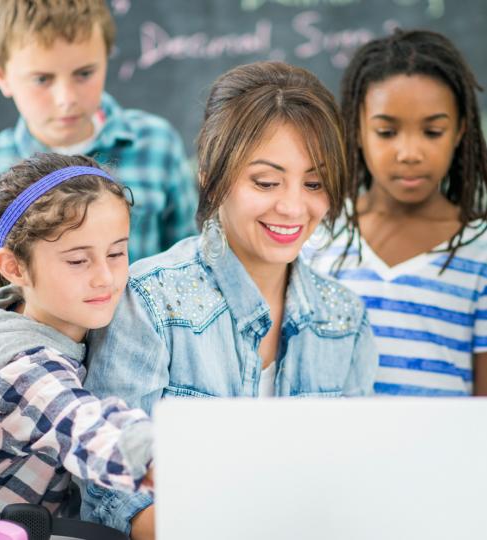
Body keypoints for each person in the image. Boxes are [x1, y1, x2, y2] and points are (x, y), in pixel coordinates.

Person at [81, 61, 378, 539]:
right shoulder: (150, 300)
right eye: (265, 182)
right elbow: (110, 490)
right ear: (210, 172)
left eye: (315, 183)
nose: (292, 206)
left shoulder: (345, 319)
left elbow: (351, 480)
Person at [0, 0, 197, 376]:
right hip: (23, 398)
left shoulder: (155, 146)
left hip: (142, 382)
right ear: (0, 75)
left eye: (84, 73)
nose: (66, 97)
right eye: (42, 79)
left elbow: (187, 279)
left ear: (107, 58)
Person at [306, 29, 487, 401]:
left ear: (460, 130)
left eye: (432, 131)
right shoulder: (317, 235)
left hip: (442, 460)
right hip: (334, 457)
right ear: (358, 131)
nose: (409, 152)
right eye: (386, 131)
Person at [0, 154, 153, 516]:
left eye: (116, 253)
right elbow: (82, 425)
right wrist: (155, 455)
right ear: (14, 267)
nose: (105, 277)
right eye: (78, 261)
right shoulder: (21, 369)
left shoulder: (12, 312)